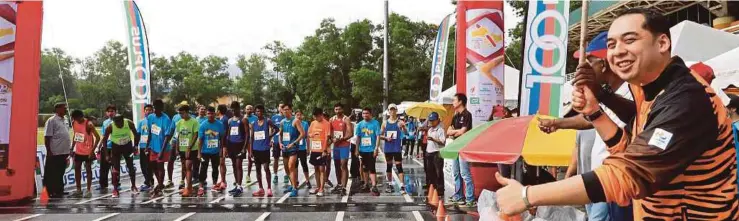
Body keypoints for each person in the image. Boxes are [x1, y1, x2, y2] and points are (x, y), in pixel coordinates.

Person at [495, 9, 739, 220]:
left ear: (662, 43)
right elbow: (627, 146)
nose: (617, 52)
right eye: (612, 44)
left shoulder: (687, 98)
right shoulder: (646, 89)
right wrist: (594, 111)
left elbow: (629, 174)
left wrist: (528, 196)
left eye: (629, 40)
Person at [538, 31, 634, 220]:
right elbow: (593, 118)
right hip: (602, 178)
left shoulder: (629, 94)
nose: (583, 67)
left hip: (617, 181)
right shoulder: (609, 94)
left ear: (604, 64)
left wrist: (527, 197)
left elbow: (623, 119)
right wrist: (558, 123)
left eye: (590, 62)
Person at [100, 114, 140, 198]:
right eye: (116, 123)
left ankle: (133, 186)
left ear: (123, 120)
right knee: (115, 169)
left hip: (127, 146)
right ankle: (115, 190)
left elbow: (136, 135)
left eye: (119, 122)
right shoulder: (110, 126)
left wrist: (136, 146)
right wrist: (107, 154)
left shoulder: (129, 123)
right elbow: (104, 140)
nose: (117, 124)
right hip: (116, 147)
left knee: (131, 167)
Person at [447, 93, 475, 207]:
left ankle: (470, 198)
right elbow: (448, 131)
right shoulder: (455, 116)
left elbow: (463, 132)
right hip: (455, 146)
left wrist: (455, 132)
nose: (453, 102)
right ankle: (458, 196)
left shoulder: (467, 115)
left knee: (465, 173)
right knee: (456, 172)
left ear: (460, 102)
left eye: (454, 100)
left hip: (464, 147)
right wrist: (455, 132)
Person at [145, 99, 173, 197]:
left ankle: (159, 188)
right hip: (153, 147)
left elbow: (167, 137)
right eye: (155, 108)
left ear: (162, 108)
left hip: (163, 147)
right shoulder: (150, 117)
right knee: (153, 166)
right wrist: (147, 145)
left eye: (158, 108)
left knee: (160, 166)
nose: (156, 110)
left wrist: (162, 151)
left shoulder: (166, 119)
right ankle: (160, 184)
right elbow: (150, 132)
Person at [70, 110, 100, 198]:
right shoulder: (74, 122)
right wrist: (72, 148)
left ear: (81, 116)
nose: (76, 120)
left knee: (88, 169)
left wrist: (92, 151)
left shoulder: (89, 124)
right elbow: (76, 135)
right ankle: (78, 190)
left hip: (88, 151)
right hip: (79, 151)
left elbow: (97, 138)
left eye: (77, 118)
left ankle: (88, 190)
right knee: (77, 169)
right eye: (74, 119)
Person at [43, 103, 71, 198]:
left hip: (64, 151)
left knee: (61, 171)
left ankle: (59, 190)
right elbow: (47, 137)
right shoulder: (51, 120)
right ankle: (50, 191)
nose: (66, 109)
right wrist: (49, 150)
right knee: (52, 172)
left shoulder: (66, 119)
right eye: (64, 108)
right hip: (55, 151)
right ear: (58, 109)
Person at [250, 105, 279, 197]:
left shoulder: (268, 121)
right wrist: (250, 151)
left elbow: (277, 129)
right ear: (255, 112)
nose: (259, 113)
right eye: (257, 111)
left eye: (260, 111)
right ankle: (261, 188)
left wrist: (270, 136)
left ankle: (269, 188)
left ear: (263, 112)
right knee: (258, 169)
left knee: (266, 168)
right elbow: (251, 137)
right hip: (256, 149)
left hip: (265, 149)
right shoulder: (254, 123)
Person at [379, 104, 407, 194]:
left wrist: (403, 127)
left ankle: (402, 186)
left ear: (396, 111)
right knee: (389, 166)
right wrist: (386, 138)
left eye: (394, 109)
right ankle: (390, 184)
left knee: (399, 167)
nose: (392, 111)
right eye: (390, 109)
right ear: (388, 111)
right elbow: (379, 135)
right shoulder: (385, 123)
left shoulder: (400, 122)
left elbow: (406, 133)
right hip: (388, 148)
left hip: (396, 147)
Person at [279, 104, 305, 197]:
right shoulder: (282, 122)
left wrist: (294, 143)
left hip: (293, 148)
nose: (285, 111)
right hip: (285, 148)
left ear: (291, 110)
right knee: (286, 168)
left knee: (291, 166)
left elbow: (302, 134)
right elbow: (280, 134)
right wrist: (280, 143)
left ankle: (294, 188)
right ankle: (292, 184)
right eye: (284, 110)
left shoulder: (296, 121)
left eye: (287, 109)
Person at [354, 108, 381, 196]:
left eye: (367, 113)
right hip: (363, 150)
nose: (365, 115)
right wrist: (356, 149)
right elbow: (358, 138)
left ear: (370, 114)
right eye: (364, 113)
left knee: (372, 167)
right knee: (365, 168)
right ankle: (366, 184)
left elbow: (378, 136)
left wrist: (376, 148)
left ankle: (374, 185)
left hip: (371, 149)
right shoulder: (360, 125)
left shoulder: (375, 123)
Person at [197, 106, 223, 197]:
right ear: (206, 114)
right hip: (205, 151)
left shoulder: (219, 124)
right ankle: (200, 187)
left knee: (215, 168)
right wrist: (199, 153)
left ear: (215, 114)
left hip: (215, 151)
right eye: (208, 114)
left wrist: (221, 150)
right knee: (203, 169)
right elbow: (200, 140)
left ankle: (214, 184)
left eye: (212, 113)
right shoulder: (203, 125)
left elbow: (222, 138)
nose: (210, 115)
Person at [174, 104, 200, 197]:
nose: (181, 115)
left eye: (182, 113)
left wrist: (189, 147)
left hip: (191, 149)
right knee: (184, 168)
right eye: (179, 113)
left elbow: (196, 135)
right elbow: (177, 136)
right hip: (182, 148)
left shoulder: (194, 122)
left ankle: (189, 188)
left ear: (187, 112)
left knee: (189, 167)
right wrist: (177, 148)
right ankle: (188, 186)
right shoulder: (179, 123)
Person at [225, 101, 250, 196]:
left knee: (239, 165)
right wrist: (227, 147)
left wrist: (244, 148)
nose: (233, 111)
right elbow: (228, 134)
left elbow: (247, 134)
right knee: (234, 165)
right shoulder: (230, 120)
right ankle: (236, 184)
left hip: (240, 145)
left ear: (239, 109)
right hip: (231, 145)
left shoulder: (244, 119)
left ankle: (240, 186)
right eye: (231, 109)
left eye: (234, 109)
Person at [329, 103, 353, 195]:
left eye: (339, 109)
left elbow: (350, 133)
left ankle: (343, 187)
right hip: (336, 146)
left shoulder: (346, 119)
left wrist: (341, 139)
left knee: (343, 164)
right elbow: (330, 132)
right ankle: (339, 184)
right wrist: (332, 139)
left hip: (344, 145)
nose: (338, 111)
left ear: (342, 109)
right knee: (337, 165)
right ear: (334, 110)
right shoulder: (332, 119)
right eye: (336, 109)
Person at [308, 108, 332, 197]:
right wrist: (312, 135)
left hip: (322, 149)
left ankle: (322, 188)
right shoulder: (313, 123)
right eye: (315, 116)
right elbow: (309, 133)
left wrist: (325, 150)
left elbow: (327, 137)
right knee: (316, 168)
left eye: (317, 116)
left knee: (322, 169)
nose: (316, 118)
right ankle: (318, 187)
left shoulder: (327, 124)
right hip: (314, 149)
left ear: (321, 115)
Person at [424, 112, 445, 201]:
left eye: (433, 121)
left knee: (438, 171)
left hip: (437, 152)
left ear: (437, 120)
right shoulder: (430, 130)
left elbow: (443, 142)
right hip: (429, 152)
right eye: (430, 121)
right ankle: (432, 187)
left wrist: (433, 139)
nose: (431, 122)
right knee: (429, 171)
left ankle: (440, 190)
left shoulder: (440, 130)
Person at [98, 104, 117, 192]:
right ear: (106, 113)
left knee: (115, 166)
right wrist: (99, 146)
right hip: (105, 147)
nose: (110, 113)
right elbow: (103, 135)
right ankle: (103, 184)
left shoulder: (118, 121)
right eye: (109, 111)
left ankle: (116, 184)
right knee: (103, 167)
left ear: (115, 112)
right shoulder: (105, 122)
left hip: (115, 147)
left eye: (112, 111)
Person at [137, 104, 155, 192]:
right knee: (143, 165)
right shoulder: (141, 122)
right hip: (142, 146)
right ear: (144, 111)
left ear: (153, 111)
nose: (148, 111)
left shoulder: (155, 121)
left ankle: (148, 182)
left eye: (150, 110)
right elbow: (138, 134)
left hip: (152, 147)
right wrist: (136, 146)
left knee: (150, 165)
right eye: (146, 110)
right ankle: (149, 180)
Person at [213, 104, 230, 192]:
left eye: (216, 110)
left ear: (219, 111)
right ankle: (223, 180)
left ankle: (223, 181)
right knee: (221, 163)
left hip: (223, 144)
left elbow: (224, 134)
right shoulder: (221, 119)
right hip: (220, 143)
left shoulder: (223, 120)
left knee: (222, 162)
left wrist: (224, 146)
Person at [296, 111, 312, 190]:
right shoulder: (293, 123)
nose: (299, 116)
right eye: (297, 115)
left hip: (302, 148)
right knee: (294, 165)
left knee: (304, 164)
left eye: (300, 115)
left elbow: (307, 137)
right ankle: (295, 181)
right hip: (294, 148)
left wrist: (308, 148)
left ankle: (307, 180)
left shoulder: (305, 124)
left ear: (302, 115)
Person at [271, 103, 286, 184]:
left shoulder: (287, 117)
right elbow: (271, 129)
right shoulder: (274, 117)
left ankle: (286, 175)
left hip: (285, 141)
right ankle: (275, 175)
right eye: (280, 107)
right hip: (276, 141)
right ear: (278, 108)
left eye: (283, 107)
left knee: (285, 159)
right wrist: (271, 139)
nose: (282, 108)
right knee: (276, 159)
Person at [245, 104, 258, 183]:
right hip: (244, 141)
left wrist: (250, 126)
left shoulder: (255, 118)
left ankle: (248, 175)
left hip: (252, 141)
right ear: (245, 110)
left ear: (252, 110)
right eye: (247, 109)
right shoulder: (243, 118)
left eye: (250, 109)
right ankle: (237, 179)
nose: (249, 110)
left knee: (251, 158)